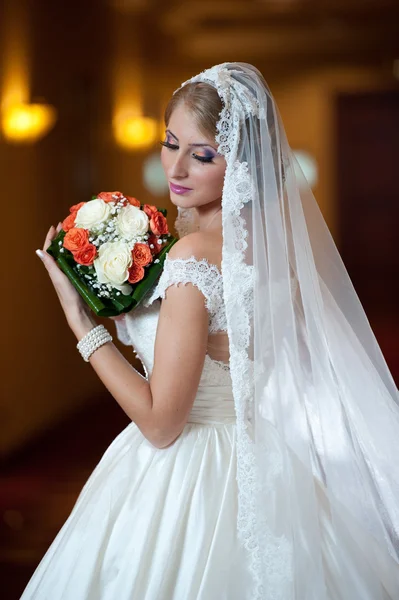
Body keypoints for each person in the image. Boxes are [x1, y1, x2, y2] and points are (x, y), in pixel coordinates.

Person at [24, 63, 398, 599]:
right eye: (170, 143)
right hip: (261, 457)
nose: (175, 168)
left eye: (201, 155)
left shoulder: (194, 255)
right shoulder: (272, 256)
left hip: (193, 473)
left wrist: (83, 325)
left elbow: (160, 424)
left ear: (241, 166)